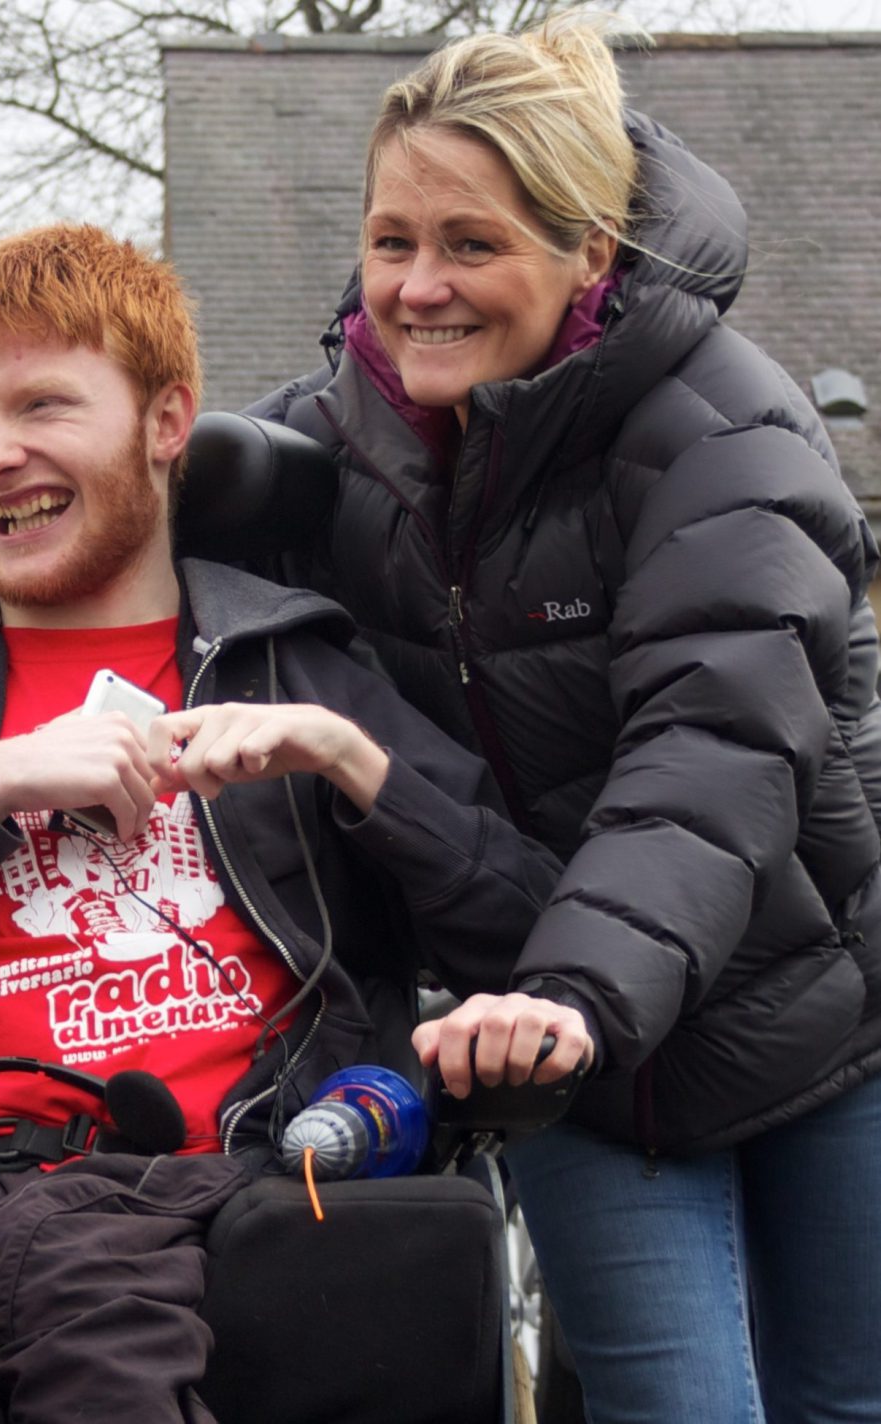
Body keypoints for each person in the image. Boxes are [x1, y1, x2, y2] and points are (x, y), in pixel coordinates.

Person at [0, 222, 562, 1424]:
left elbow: (523, 929)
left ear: (166, 423)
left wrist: (352, 759)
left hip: (234, 1171)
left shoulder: (298, 667)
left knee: (83, 1265)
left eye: (43, 406)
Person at [248, 13, 881, 1424]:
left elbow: (712, 752)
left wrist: (566, 994)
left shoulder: (730, 432)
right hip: (568, 1062)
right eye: (389, 239)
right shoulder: (320, 447)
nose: (418, 288)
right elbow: (127, 513)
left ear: (590, 253)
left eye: (472, 244)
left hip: (821, 1012)